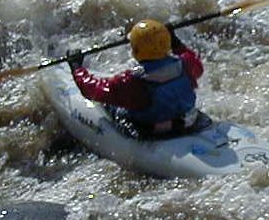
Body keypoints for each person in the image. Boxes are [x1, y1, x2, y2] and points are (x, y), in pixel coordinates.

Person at [67, 19, 205, 138]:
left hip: (151, 130)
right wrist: (176, 42)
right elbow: (195, 63)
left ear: (136, 50)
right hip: (187, 121)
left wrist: (76, 68)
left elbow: (92, 90)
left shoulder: (131, 80)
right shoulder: (186, 63)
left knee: (110, 105)